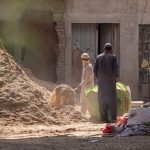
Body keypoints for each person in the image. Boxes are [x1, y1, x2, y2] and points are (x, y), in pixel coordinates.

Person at [93, 43, 119, 123]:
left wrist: (99, 77)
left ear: (104, 49)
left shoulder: (98, 57)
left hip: (101, 82)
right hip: (110, 82)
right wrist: (115, 77)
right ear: (111, 49)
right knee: (112, 100)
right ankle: (113, 118)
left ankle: (103, 119)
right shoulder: (113, 57)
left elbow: (94, 69)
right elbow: (115, 69)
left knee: (102, 99)